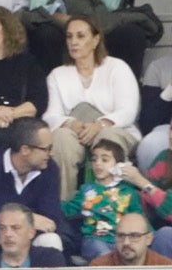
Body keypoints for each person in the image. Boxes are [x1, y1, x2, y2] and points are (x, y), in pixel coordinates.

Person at [45, 14, 141, 201]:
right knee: (60, 138)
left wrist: (100, 125)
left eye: (81, 36)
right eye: (69, 36)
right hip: (76, 134)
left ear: (96, 39)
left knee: (107, 137)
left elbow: (128, 111)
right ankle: (64, 207)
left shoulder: (117, 67)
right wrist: (70, 124)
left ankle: (108, 207)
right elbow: (50, 115)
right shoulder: (57, 74)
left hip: (117, 131)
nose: (74, 42)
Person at [0, 118, 67, 264]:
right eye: (46, 149)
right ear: (25, 150)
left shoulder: (49, 169)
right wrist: (17, 226)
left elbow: (50, 219)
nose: (50, 154)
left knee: (51, 240)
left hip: (31, 235)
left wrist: (20, 232)